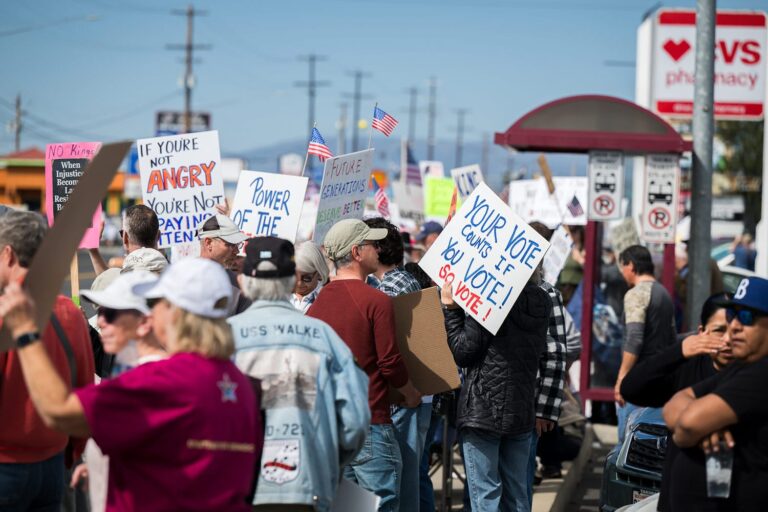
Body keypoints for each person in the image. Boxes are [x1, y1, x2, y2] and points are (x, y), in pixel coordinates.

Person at [0, 257, 261, 511]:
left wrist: (26, 333)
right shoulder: (240, 383)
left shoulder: (162, 381)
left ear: (176, 313)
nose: (152, 311)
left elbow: (58, 410)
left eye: (158, 302)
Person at [229, 236, 369, 511]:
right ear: (292, 279)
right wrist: (325, 462)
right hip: (306, 487)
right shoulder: (324, 337)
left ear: (243, 281)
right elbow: (354, 423)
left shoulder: (221, 338)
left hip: (237, 486)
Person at [308, 218, 422, 512]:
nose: (378, 249)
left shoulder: (316, 306)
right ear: (357, 252)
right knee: (381, 504)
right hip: (370, 422)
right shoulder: (375, 300)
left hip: (331, 427)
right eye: (372, 244)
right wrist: (409, 392)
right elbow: (390, 363)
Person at [0, 210, 95, 511]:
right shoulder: (69, 311)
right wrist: (71, 454)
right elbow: (84, 386)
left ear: (8, 254)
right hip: (53, 463)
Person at [441, 270, 552, 512]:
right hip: (521, 408)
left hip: (483, 408)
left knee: (485, 497)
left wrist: (451, 310)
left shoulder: (491, 296)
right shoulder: (543, 299)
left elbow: (463, 353)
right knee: (517, 496)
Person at [663, 277, 768, 512]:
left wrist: (689, 433)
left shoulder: (763, 373)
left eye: (748, 317)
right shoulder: (743, 366)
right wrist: (708, 426)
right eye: (733, 316)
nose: (735, 326)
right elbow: (673, 405)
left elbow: (689, 424)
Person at [621, 293, 731, 512]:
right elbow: (631, 389)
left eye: (735, 331)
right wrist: (679, 351)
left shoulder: (752, 375)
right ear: (701, 332)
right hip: (678, 498)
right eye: (719, 330)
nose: (727, 340)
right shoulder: (686, 368)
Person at [72, 271, 168, 512]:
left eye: (110, 313)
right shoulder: (129, 365)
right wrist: (100, 466)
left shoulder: (151, 380)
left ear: (145, 322)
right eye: (100, 311)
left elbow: (58, 410)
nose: (100, 319)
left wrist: (26, 336)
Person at [364, 217, 427, 512]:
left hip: (403, 394)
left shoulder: (389, 288)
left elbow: (386, 349)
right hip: (411, 391)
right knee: (413, 472)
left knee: (401, 473)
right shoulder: (402, 280)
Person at [614, 245, 676, 442]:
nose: (623, 273)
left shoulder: (636, 294)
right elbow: (672, 337)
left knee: (627, 443)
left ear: (631, 266)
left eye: (623, 267)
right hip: (661, 381)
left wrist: (622, 379)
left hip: (638, 380)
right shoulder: (664, 293)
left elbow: (634, 338)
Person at [526, 222, 567, 492]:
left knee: (520, 478)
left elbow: (555, 354)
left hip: (529, 401)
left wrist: (545, 410)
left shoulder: (548, 293)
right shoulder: (498, 290)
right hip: (492, 407)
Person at [88, 204, 164, 277]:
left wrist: (93, 251)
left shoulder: (119, 284)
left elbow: (105, 280)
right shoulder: (173, 277)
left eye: (121, 233)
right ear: (158, 236)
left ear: (125, 237)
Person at [197, 213, 252, 314]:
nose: (236, 251)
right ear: (208, 243)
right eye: (230, 244)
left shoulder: (238, 284)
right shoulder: (183, 277)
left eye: (237, 245)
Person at [290, 241, 330, 313]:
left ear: (319, 274)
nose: (299, 283)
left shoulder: (327, 299)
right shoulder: (279, 295)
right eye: (294, 275)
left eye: (306, 278)